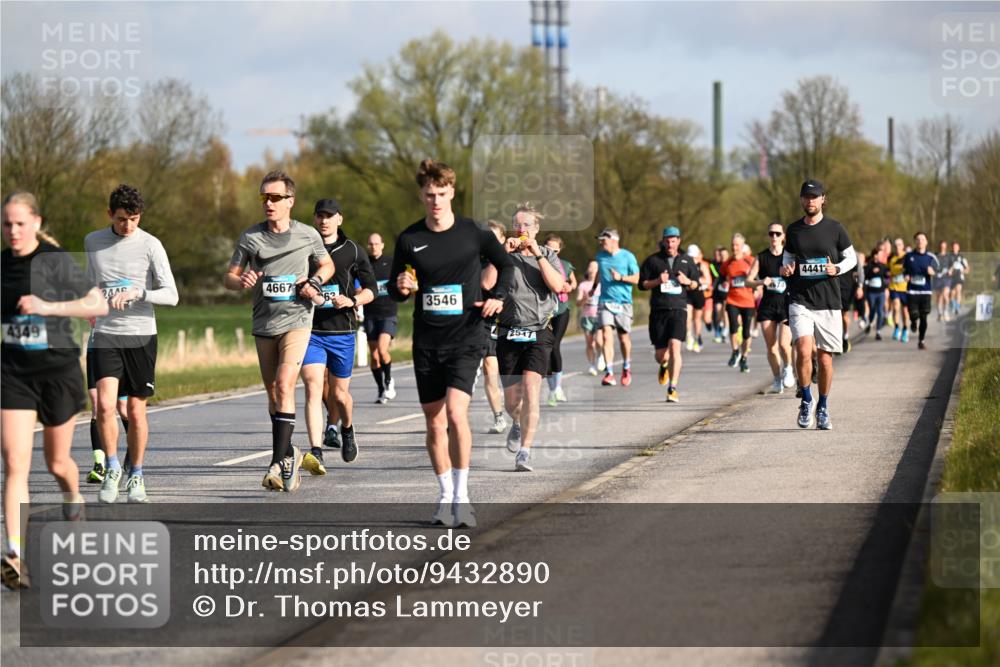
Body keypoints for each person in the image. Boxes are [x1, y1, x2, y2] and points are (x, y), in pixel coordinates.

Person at [388, 159, 512, 528]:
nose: (435, 201)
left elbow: (505, 266)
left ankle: (463, 496)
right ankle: (444, 496)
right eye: (429, 195)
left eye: (441, 194)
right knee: (434, 422)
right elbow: (398, 287)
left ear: (452, 192)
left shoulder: (474, 233)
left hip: (467, 336)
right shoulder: (410, 239)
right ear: (421, 195)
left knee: (457, 413)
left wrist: (498, 297)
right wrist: (403, 287)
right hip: (428, 340)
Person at [2, 192, 108, 589]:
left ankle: (72, 498)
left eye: (20, 223)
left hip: (58, 371)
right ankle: (15, 554)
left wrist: (47, 308)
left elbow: (97, 304)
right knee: (14, 462)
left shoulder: (55, 261)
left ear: (36, 222)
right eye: (7, 224)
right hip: (13, 370)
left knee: (57, 462)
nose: (13, 231)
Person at [224, 170, 334, 492]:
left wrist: (314, 281)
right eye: (264, 198)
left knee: (286, 386)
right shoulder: (251, 238)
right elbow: (229, 277)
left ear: (290, 201)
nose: (268, 203)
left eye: (275, 198)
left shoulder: (307, 235)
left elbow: (326, 265)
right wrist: (240, 281)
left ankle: (276, 463)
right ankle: (291, 454)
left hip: (297, 320)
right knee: (274, 394)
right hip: (263, 322)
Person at [85, 184, 179, 504]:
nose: (129, 226)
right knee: (104, 406)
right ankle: (112, 468)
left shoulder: (151, 245)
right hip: (106, 334)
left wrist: (141, 293)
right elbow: (91, 284)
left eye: (135, 219)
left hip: (140, 335)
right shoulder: (93, 242)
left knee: (136, 412)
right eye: (123, 219)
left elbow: (172, 294)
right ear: (110, 214)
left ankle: (136, 475)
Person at [484, 204, 564, 471]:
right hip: (508, 332)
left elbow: (557, 286)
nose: (521, 230)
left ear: (536, 228)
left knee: (531, 391)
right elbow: (486, 284)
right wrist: (501, 255)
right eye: (517, 225)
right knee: (511, 402)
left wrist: (538, 255)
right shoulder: (500, 254)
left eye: (527, 225)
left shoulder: (549, 254)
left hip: (539, 331)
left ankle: (525, 452)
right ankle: (516, 423)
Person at [299, 199, 376, 476]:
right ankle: (315, 450)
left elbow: (371, 290)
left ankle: (347, 429)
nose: (324, 220)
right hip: (311, 331)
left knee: (341, 395)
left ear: (339, 219)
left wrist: (353, 301)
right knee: (312, 386)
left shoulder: (353, 251)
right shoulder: (305, 248)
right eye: (320, 215)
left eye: (329, 216)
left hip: (342, 332)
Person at [780, 180, 857, 431]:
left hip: (828, 302)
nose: (810, 201)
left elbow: (851, 258)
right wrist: (786, 267)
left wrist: (837, 268)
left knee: (824, 360)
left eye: (815, 197)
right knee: (803, 350)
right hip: (800, 299)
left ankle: (822, 406)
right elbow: (788, 257)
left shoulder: (835, 229)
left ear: (823, 199)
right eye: (806, 197)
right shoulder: (793, 231)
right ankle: (806, 399)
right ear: (801, 199)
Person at [638, 226, 702, 402]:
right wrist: (658, 281)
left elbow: (697, 285)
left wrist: (687, 281)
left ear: (679, 241)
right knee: (661, 355)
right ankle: (664, 365)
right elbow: (641, 285)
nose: (670, 243)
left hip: (679, 309)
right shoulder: (653, 261)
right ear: (663, 241)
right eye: (667, 240)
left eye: (673, 240)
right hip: (659, 310)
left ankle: (672, 388)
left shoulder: (687, 260)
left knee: (675, 346)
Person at [748, 222, 794, 393]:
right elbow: (748, 280)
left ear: (783, 236)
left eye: (777, 233)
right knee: (771, 347)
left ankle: (788, 368)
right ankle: (776, 379)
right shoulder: (761, 257)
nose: (774, 237)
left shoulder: (789, 257)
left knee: (784, 344)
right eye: (771, 234)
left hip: (785, 303)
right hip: (767, 305)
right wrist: (761, 282)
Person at [592, 229, 640, 387]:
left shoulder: (628, 256)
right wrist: (594, 287)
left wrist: (621, 278)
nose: (601, 243)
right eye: (600, 241)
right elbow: (600, 272)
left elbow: (637, 278)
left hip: (624, 302)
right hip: (605, 300)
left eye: (603, 240)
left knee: (623, 338)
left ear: (614, 240)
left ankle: (626, 367)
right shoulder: (600, 256)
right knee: (606, 334)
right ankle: (609, 372)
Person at [364, 232, 399, 405]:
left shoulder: (391, 263)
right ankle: (381, 388)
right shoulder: (364, 265)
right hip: (370, 313)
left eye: (376, 244)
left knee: (383, 350)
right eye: (370, 244)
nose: (373, 247)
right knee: (375, 355)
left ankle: (389, 380)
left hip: (388, 313)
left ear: (382, 245)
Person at [543, 233, 576, 406]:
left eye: (554, 250)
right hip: (544, 311)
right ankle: (552, 389)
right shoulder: (538, 263)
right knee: (546, 348)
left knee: (554, 345)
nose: (551, 252)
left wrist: (569, 286)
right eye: (547, 248)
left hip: (561, 310)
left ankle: (558, 388)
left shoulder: (565, 265)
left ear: (559, 250)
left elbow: (573, 283)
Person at [481, 220, 508, 434]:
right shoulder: (480, 261)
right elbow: (487, 283)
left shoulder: (515, 258)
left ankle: (518, 414)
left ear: (503, 239)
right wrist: (496, 256)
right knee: (490, 368)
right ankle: (499, 416)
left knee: (511, 372)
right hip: (487, 321)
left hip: (515, 320)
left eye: (493, 238)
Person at [721, 233, 756, 373]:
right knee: (733, 327)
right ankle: (735, 351)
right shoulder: (728, 262)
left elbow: (758, 277)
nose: (734, 247)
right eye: (733, 245)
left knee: (747, 332)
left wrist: (758, 288)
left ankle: (744, 358)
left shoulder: (750, 261)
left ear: (742, 246)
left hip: (748, 301)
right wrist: (722, 283)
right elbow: (721, 276)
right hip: (732, 299)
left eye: (737, 245)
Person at [903, 232, 940, 351]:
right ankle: (913, 322)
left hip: (926, 292)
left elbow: (938, 271)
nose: (920, 241)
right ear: (915, 242)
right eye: (918, 239)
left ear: (926, 242)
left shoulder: (931, 257)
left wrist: (932, 272)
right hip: (912, 291)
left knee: (924, 317)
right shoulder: (909, 256)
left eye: (922, 239)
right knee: (914, 314)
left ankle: (921, 340)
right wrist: (906, 276)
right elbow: (904, 270)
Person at [685, 244, 712, 353]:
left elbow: (708, 280)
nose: (692, 259)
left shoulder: (702, 266)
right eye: (690, 257)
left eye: (694, 257)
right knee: (687, 316)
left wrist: (698, 281)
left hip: (699, 294)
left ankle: (697, 338)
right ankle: (689, 336)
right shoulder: (684, 265)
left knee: (697, 319)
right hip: (687, 294)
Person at [576, 261, 602, 376]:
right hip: (587, 317)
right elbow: (577, 303)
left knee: (599, 341)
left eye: (595, 267)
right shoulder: (583, 285)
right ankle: (592, 365)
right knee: (589, 343)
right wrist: (584, 299)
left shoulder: (602, 284)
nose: (592, 269)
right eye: (590, 266)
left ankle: (601, 356)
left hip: (600, 315)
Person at [864, 244, 890, 341]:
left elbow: (887, 277)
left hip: (881, 292)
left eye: (878, 255)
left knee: (880, 312)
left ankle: (878, 331)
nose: (877, 256)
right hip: (871, 292)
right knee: (872, 311)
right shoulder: (868, 266)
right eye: (875, 254)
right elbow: (864, 278)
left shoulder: (883, 266)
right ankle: (870, 323)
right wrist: (871, 272)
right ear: (873, 255)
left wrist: (887, 286)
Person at [888, 237, 910, 342]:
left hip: (905, 288)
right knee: (896, 307)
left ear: (903, 246)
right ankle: (897, 328)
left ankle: (905, 330)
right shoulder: (891, 258)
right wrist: (888, 274)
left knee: (905, 312)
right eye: (895, 245)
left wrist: (908, 274)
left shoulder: (907, 257)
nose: (897, 247)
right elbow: (887, 270)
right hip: (894, 287)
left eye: (899, 245)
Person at [710, 246, 730, 343]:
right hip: (718, 292)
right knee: (718, 310)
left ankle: (725, 330)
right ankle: (718, 328)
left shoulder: (730, 264)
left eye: (724, 255)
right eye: (720, 255)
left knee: (725, 311)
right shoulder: (715, 265)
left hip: (728, 292)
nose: (722, 257)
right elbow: (716, 277)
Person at [948, 241, 970, 316]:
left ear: (959, 248)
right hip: (951, 277)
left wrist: (963, 271)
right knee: (952, 293)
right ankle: (953, 305)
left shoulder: (962, 257)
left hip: (959, 276)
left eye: (956, 247)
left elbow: (967, 269)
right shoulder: (949, 256)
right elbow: (945, 267)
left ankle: (957, 308)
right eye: (954, 247)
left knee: (958, 291)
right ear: (952, 247)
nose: (955, 248)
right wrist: (949, 271)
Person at [934, 240, 952, 322]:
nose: (942, 247)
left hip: (946, 278)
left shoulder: (949, 256)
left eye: (944, 246)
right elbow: (931, 266)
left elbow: (953, 265)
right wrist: (934, 272)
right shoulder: (935, 256)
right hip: (937, 278)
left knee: (945, 295)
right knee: (939, 297)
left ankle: (945, 311)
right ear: (939, 246)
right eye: (941, 246)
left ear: (946, 247)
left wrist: (950, 270)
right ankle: (939, 313)